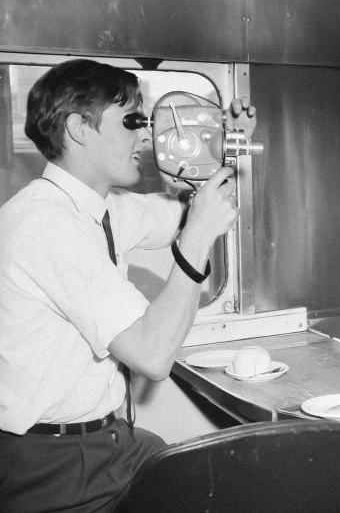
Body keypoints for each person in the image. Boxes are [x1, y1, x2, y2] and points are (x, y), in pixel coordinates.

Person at [0, 59, 256, 513]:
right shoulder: (44, 224)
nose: (145, 136)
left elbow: (201, 207)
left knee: (222, 486)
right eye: (132, 121)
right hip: (47, 466)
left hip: (108, 443)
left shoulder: (101, 207)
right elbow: (153, 355)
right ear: (79, 128)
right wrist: (196, 240)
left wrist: (224, 145)